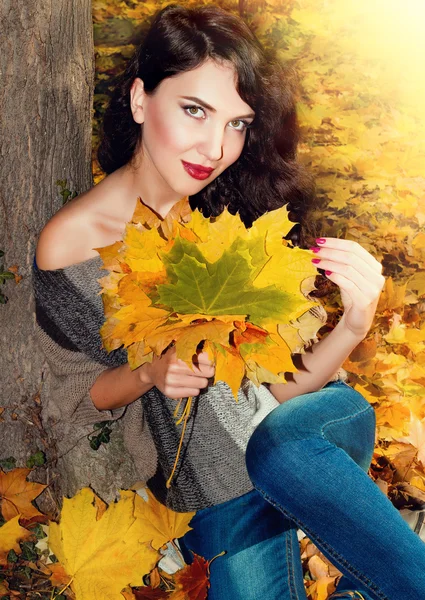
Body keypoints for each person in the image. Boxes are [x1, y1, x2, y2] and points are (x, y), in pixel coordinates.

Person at [31, 4, 425, 599]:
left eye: (237, 124)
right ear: (140, 100)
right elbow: (74, 399)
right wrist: (148, 373)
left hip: (304, 438)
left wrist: (354, 324)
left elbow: (270, 395)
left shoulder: (228, 220)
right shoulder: (73, 246)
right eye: (195, 111)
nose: (216, 147)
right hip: (214, 496)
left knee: (278, 447)